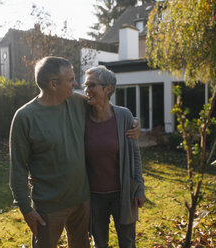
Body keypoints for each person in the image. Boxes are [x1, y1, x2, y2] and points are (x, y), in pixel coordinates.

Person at [9, 56, 140, 248]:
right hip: (48, 207)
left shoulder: (78, 103)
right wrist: (26, 209)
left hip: (82, 202)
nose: (77, 84)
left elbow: (106, 108)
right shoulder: (25, 117)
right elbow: (18, 168)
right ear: (54, 84)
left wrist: (133, 122)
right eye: (70, 80)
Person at [83, 65, 146, 248]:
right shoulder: (82, 115)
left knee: (127, 243)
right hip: (94, 197)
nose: (87, 90)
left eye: (92, 85)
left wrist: (139, 188)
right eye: (85, 85)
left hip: (123, 195)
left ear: (107, 88)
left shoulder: (124, 116)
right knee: (99, 243)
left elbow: (135, 155)